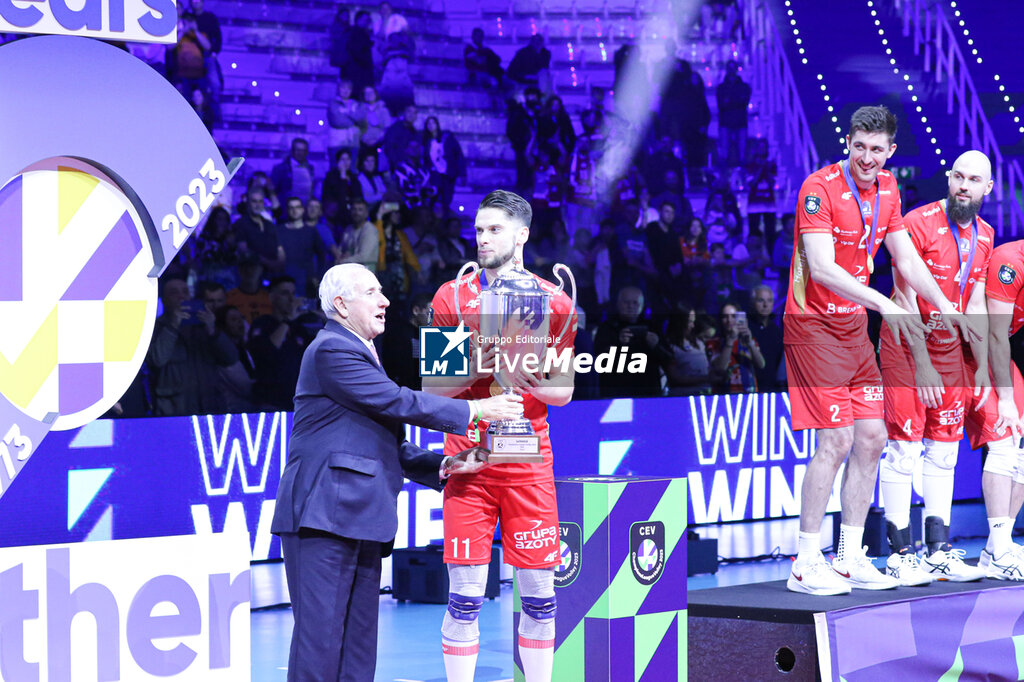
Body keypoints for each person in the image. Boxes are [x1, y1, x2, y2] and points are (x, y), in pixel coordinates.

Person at [271, 263, 526, 682]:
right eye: (371, 293)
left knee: (358, 645)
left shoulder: (361, 350)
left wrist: (443, 464)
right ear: (340, 304)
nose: (385, 300)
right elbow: (396, 401)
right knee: (319, 644)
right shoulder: (331, 348)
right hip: (323, 516)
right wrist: (476, 409)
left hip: (361, 516)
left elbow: (377, 438)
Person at [784, 106, 976, 595]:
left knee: (872, 439)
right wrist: (885, 308)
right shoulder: (818, 188)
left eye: (877, 149)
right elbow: (823, 268)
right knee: (837, 442)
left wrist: (942, 303)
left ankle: (849, 556)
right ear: (847, 142)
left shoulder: (888, 189)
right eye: (859, 147)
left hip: (852, 331)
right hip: (813, 327)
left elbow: (906, 256)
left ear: (890, 150)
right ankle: (806, 559)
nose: (867, 157)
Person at [423, 190, 576, 682]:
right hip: (468, 459)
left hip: (528, 462)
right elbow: (434, 387)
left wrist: (522, 363)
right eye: (479, 229)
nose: (482, 238)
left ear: (522, 235)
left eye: (494, 229)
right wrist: (484, 357)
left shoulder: (554, 301)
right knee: (465, 599)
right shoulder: (453, 295)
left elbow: (564, 391)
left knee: (539, 596)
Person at [878, 150, 995, 585]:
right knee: (905, 449)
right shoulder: (917, 222)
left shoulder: (985, 235)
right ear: (949, 179)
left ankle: (938, 551)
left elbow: (977, 303)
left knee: (944, 452)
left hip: (949, 353)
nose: (963, 186)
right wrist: (923, 365)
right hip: (907, 347)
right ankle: (899, 553)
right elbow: (905, 297)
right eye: (957, 177)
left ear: (988, 188)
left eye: (973, 180)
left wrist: (981, 365)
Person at [708, 301, 763, 393]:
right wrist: (730, 340)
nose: (729, 320)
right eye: (725, 317)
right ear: (720, 320)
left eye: (733, 316)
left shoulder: (747, 340)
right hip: (725, 395)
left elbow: (761, 364)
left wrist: (750, 342)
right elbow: (720, 369)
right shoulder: (714, 343)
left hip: (749, 393)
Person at [715, 60, 751, 168]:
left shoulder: (744, 87)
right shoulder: (721, 88)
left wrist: (729, 101)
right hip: (726, 122)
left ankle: (742, 172)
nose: (731, 70)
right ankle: (724, 173)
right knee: (724, 151)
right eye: (729, 68)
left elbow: (744, 102)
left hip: (740, 122)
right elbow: (721, 104)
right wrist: (737, 100)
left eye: (733, 67)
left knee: (742, 153)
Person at [748, 284, 783, 392]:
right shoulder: (746, 329)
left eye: (769, 300)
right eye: (760, 300)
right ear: (753, 303)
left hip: (772, 389)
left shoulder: (777, 331)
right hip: (749, 387)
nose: (765, 305)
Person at [271, 138, 317, 205]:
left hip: (305, 208)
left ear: (307, 152)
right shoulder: (280, 168)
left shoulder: (310, 168)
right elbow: (274, 190)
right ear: (292, 151)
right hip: (286, 208)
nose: (300, 153)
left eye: (303, 150)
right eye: (298, 150)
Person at [338, 198, 380, 271]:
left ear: (366, 213)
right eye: (354, 209)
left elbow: (364, 256)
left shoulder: (369, 229)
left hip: (365, 272)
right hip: (349, 271)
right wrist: (339, 257)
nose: (356, 212)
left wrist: (343, 261)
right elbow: (341, 249)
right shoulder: (348, 229)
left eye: (360, 210)